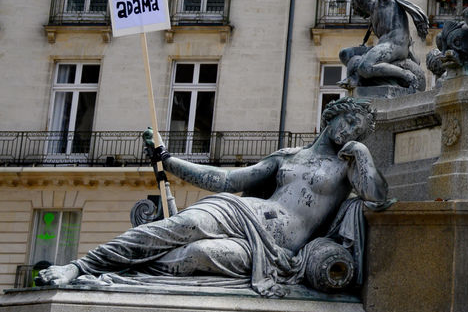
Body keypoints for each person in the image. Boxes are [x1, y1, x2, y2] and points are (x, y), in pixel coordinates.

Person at [37, 98, 392, 297]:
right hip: (240, 210)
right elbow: (225, 179)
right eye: (348, 122)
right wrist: (169, 161)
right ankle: (80, 267)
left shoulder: (347, 167)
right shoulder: (288, 156)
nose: (350, 132)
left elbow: (376, 197)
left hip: (273, 249)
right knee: (180, 226)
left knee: (198, 254)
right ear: (332, 117)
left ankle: (127, 269)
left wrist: (362, 154)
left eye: (357, 131)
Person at [339, 0, 429, 92]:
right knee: (344, 54)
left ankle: (407, 75)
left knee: (365, 67)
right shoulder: (373, 17)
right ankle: (360, 79)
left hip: (395, 45)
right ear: (360, 9)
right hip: (384, 46)